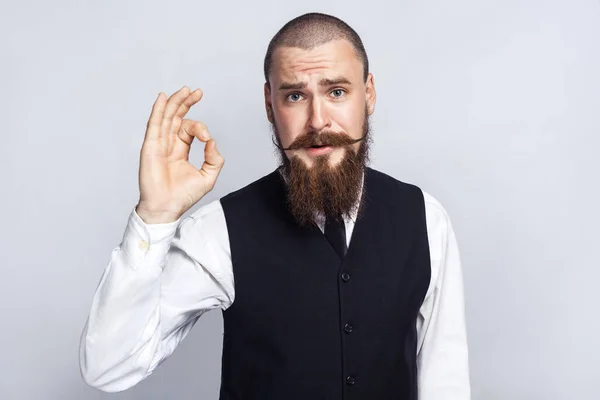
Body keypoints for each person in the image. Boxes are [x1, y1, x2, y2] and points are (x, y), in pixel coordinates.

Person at [79, 12, 470, 400]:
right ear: (270, 104)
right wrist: (155, 218)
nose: (318, 121)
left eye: (336, 92)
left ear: (368, 94)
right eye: (295, 96)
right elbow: (107, 367)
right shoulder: (218, 232)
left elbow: (445, 383)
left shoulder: (426, 219)